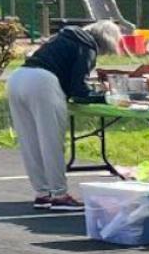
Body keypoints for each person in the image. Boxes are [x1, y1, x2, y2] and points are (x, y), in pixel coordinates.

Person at [7, 19, 125, 211]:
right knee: (51, 141)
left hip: (18, 78)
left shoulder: (65, 37)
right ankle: (59, 194)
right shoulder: (86, 46)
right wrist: (107, 97)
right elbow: (79, 89)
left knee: (30, 142)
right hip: (43, 82)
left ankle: (42, 193)